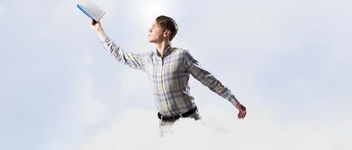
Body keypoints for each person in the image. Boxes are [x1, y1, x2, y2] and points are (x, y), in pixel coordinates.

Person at [90, 15, 247, 136]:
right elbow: (119, 54)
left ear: (166, 33)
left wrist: (235, 102)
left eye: (153, 27)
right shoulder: (147, 60)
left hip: (189, 121)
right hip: (166, 128)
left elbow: (209, 80)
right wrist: (99, 30)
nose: (149, 30)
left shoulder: (182, 56)